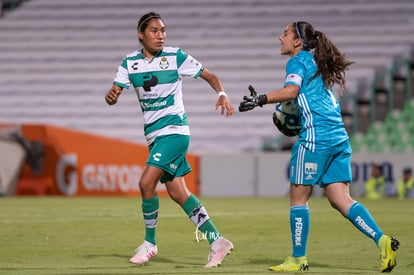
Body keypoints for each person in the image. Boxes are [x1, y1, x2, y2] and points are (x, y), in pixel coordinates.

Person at [239, 21, 400, 272]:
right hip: (338, 136)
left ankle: (298, 259)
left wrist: (261, 99)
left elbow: (291, 91)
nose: (279, 37)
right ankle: (382, 240)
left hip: (316, 138)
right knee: (340, 199)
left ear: (297, 41)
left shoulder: (297, 61)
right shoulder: (317, 64)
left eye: (285, 34)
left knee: (298, 198)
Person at [105, 12, 234, 268]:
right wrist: (112, 96)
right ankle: (217, 241)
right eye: (154, 30)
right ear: (141, 34)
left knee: (145, 183)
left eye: (163, 30)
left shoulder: (176, 57)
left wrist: (221, 92)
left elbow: (210, 75)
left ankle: (150, 243)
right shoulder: (129, 62)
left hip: (174, 131)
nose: (160, 35)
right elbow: (116, 91)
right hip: (154, 136)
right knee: (178, 192)